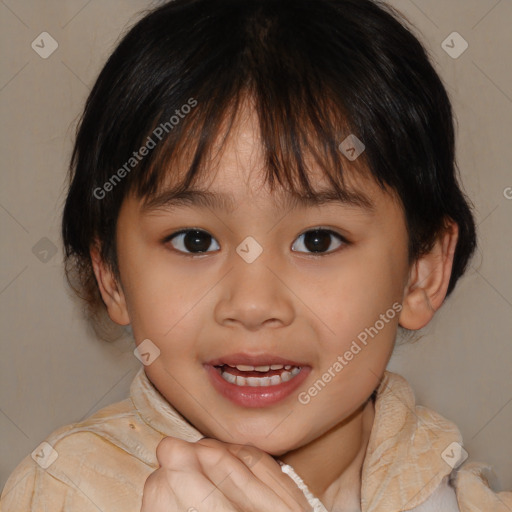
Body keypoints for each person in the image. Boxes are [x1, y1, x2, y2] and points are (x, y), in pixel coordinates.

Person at [1, 0, 510, 510]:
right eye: (194, 241)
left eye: (318, 240)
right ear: (111, 274)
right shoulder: (64, 493)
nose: (252, 303)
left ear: (420, 272)